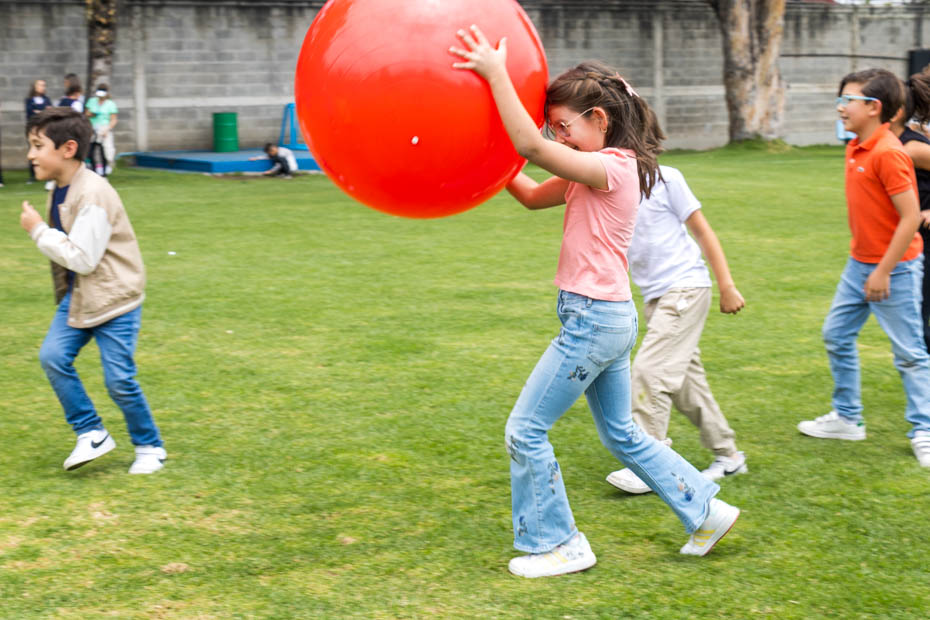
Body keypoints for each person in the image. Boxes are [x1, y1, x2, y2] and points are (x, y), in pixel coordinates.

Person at [450, 26, 740, 578]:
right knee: (624, 434)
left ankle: (560, 544)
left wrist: (493, 74)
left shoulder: (613, 167)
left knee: (524, 430)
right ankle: (705, 509)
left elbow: (532, 148)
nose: (556, 136)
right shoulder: (592, 171)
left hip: (593, 320)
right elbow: (535, 194)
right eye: (553, 126)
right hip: (607, 317)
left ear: (599, 121)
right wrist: (490, 164)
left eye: (564, 126)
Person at [19, 107, 166, 474]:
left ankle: (150, 447)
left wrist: (38, 230)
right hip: (82, 296)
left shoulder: (93, 194)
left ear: (67, 149)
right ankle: (91, 432)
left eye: (38, 146)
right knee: (53, 357)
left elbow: (82, 258)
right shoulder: (59, 187)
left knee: (119, 380)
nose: (30, 155)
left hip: (116, 300)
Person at [798, 68, 930, 469]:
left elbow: (909, 219)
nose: (840, 108)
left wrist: (883, 272)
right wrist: (867, 266)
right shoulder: (856, 146)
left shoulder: (890, 153)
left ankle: (924, 431)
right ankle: (847, 418)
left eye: (847, 101)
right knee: (836, 335)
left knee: (909, 353)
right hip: (859, 265)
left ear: (874, 108)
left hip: (896, 269)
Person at [605, 159, 747, 495]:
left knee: (648, 372)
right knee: (685, 384)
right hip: (656, 297)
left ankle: (649, 464)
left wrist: (726, 285)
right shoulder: (607, 180)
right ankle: (729, 456)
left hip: (684, 289)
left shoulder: (666, 178)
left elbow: (702, 231)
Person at [889, 71, 930, 356]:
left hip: (926, 237)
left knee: (917, 313)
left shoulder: (913, 147)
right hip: (908, 235)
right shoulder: (888, 144)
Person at [85, 83, 118, 175]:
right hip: (92, 129)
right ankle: (94, 171)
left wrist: (107, 129)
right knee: (90, 152)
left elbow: (114, 119)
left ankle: (104, 172)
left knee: (106, 152)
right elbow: (86, 113)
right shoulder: (92, 101)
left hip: (104, 129)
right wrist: (92, 114)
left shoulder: (110, 104)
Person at [25, 79, 52, 183]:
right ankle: (33, 175)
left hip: (45, 130)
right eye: (40, 85)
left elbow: (49, 112)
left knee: (46, 151)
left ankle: (48, 174)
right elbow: (29, 113)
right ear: (35, 87)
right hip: (33, 130)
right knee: (33, 152)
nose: (43, 87)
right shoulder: (29, 100)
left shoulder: (47, 99)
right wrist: (42, 111)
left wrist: (38, 112)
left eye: (44, 85)